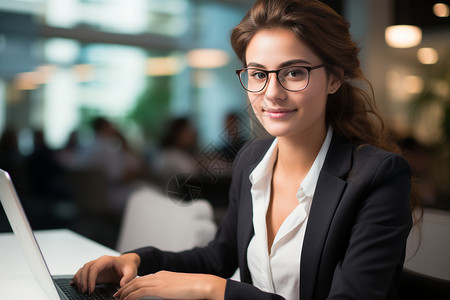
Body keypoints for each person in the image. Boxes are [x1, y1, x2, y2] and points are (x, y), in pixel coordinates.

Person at [71, 0, 420, 299]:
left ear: (333, 78)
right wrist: (135, 261)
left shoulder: (379, 177)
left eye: (294, 73)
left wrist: (215, 290)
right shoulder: (252, 160)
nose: (271, 93)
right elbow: (217, 257)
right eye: (257, 74)